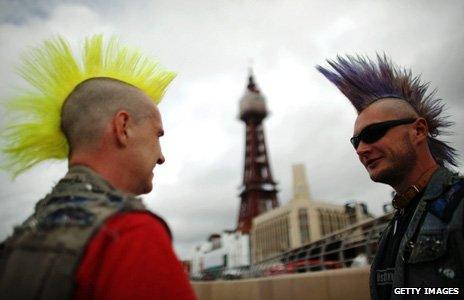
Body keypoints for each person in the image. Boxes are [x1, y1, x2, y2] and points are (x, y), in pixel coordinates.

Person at [0, 35, 196, 299]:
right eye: (157, 135)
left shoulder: (19, 239)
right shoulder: (130, 235)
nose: (161, 157)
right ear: (123, 127)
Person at [317, 55, 463, 299]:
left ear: (418, 130)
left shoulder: (458, 206)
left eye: (374, 133)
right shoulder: (394, 226)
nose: (362, 149)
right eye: (356, 142)